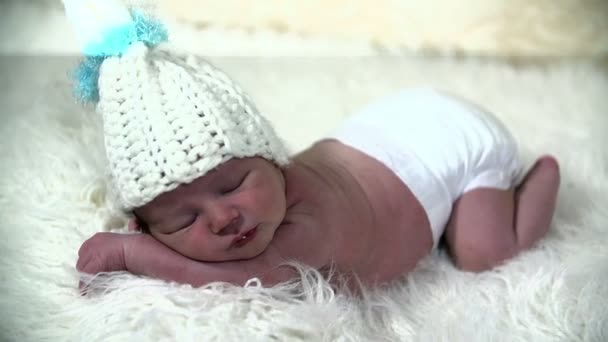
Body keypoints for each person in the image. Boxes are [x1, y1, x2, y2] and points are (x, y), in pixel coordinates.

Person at [70, 5, 560, 292]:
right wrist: (154, 231)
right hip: (397, 127)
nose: (223, 219)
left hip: (453, 145)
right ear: (147, 223)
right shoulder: (257, 190)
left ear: (271, 156)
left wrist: (132, 254)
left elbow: (241, 278)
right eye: (183, 220)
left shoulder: (303, 228)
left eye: (234, 184)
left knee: (482, 253)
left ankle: (540, 177)